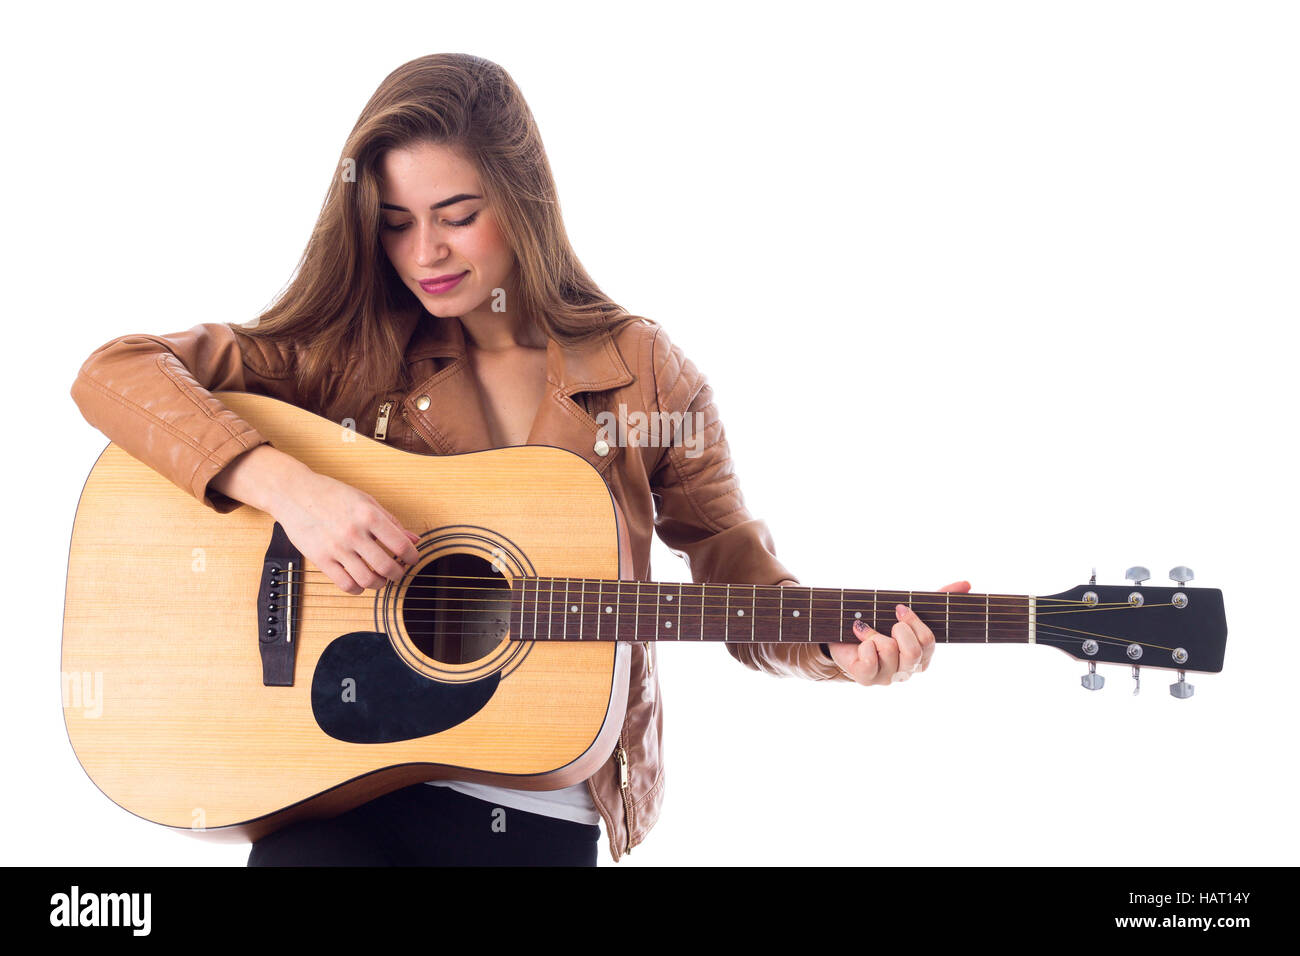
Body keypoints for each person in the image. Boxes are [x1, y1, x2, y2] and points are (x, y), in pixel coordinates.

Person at [69, 53, 968, 866]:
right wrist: (292, 490)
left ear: (524, 198)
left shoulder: (642, 373)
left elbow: (732, 562)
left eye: (457, 216)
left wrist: (830, 646)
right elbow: (117, 373)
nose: (425, 254)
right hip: (335, 781)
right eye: (395, 223)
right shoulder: (345, 348)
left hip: (539, 801)